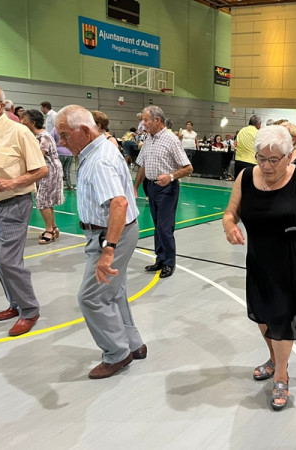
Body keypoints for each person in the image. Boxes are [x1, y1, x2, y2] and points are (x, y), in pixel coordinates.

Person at [222, 125, 296, 411]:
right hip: (260, 258)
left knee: (282, 316)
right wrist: (229, 226)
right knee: (262, 313)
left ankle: (281, 374)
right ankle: (274, 358)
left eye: (274, 159)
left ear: (289, 156)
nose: (266, 165)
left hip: (292, 258)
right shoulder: (246, 177)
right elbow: (231, 212)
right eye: (261, 158)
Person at [56, 105, 146, 379]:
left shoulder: (100, 160)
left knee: (91, 298)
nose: (61, 142)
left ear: (83, 130)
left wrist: (108, 250)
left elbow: (118, 203)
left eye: (63, 135)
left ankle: (117, 353)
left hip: (110, 234)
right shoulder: (97, 151)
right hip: (115, 231)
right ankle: (133, 344)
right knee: (114, 292)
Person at [0, 82, 48, 336]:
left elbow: (41, 169)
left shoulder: (19, 132)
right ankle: (14, 303)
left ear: (2, 105)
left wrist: (12, 182)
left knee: (9, 262)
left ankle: (29, 310)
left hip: (14, 205)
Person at [133, 106, 193, 278]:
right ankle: (160, 259)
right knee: (157, 226)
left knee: (164, 227)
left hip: (167, 188)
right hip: (151, 187)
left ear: (157, 120)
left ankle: (169, 262)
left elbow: (188, 168)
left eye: (146, 120)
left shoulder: (171, 140)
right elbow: (143, 165)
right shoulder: (149, 138)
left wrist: (171, 177)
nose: (143, 124)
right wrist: (135, 186)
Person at [21, 109, 65, 244]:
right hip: (45, 171)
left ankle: (49, 230)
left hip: (49, 171)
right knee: (47, 201)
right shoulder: (36, 137)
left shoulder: (43, 137)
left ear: (33, 123)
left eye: (25, 120)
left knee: (42, 201)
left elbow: (39, 155)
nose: (22, 122)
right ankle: (53, 227)